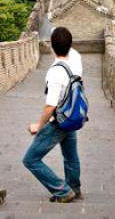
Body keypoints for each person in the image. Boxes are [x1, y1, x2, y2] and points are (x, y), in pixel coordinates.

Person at [22, 26, 82, 203]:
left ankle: (63, 191)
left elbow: (50, 105)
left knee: (30, 159)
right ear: (70, 45)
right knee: (71, 156)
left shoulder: (56, 72)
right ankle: (74, 188)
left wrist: (38, 126)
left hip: (59, 121)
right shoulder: (76, 59)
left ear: (51, 46)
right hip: (72, 116)